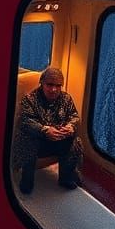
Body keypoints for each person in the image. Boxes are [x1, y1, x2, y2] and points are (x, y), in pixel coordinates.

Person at [14, 66, 84, 194]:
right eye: (50, 85)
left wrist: (70, 127)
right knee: (26, 140)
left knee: (75, 142)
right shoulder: (30, 99)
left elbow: (74, 116)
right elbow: (25, 121)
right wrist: (44, 130)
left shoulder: (66, 99)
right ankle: (26, 181)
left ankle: (66, 178)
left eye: (58, 86)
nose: (54, 89)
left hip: (57, 139)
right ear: (42, 83)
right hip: (37, 141)